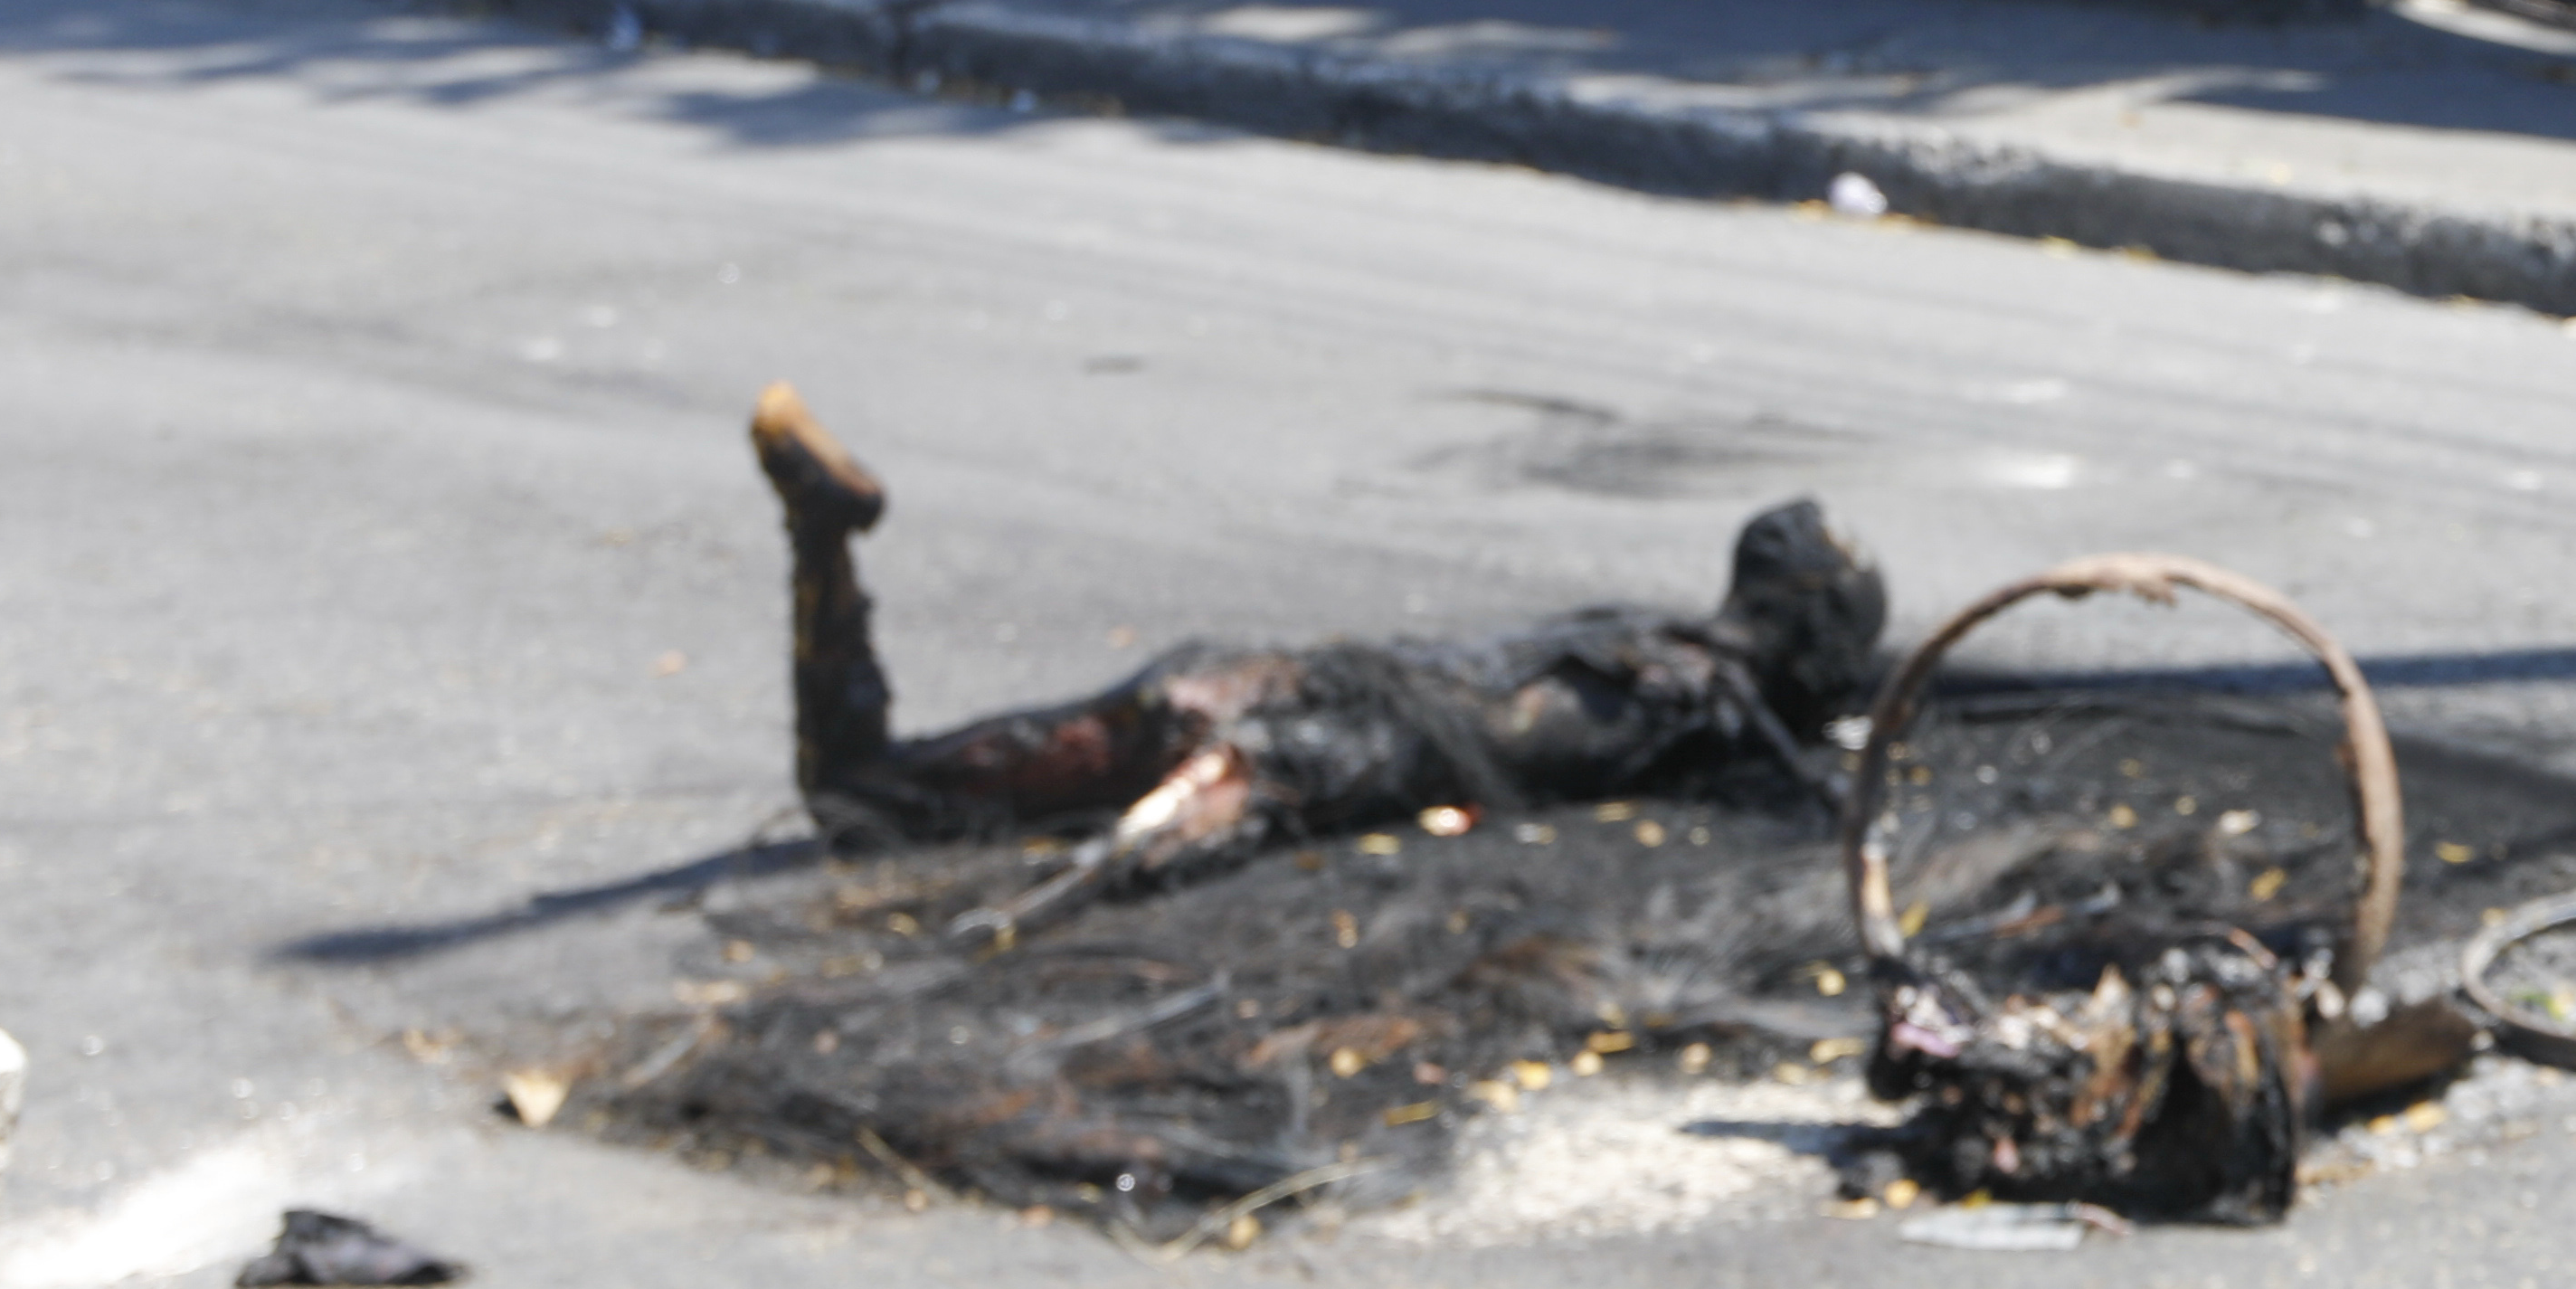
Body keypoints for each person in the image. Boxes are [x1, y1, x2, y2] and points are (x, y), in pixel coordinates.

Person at [738, 383, 1890, 873]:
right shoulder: (1705, 697)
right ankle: (822, 545)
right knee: (871, 809)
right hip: (1304, 742)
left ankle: (823, 543)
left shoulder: (1649, 642)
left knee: (873, 796)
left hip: (1260, 687)